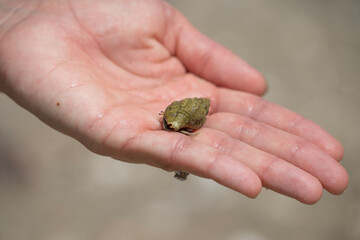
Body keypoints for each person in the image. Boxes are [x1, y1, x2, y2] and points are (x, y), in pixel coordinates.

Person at [0, 0, 348, 204]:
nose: (171, 128)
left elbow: (184, 124)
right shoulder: (175, 119)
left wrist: (19, 12)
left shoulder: (185, 118)